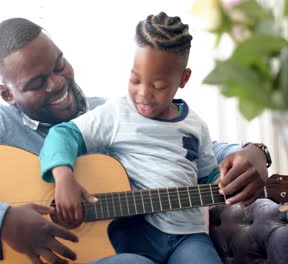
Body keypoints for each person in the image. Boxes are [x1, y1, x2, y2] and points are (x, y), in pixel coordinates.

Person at [0, 17, 270, 264]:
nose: (58, 83)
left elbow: (191, 148)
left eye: (59, 64)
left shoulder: (111, 112)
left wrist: (251, 153)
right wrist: (3, 221)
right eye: (36, 83)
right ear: (7, 94)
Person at [39, 11, 239, 263]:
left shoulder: (195, 125)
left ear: (183, 79)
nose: (143, 94)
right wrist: (63, 176)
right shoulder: (117, 113)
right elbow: (64, 134)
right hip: (133, 237)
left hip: (189, 237)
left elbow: (208, 175)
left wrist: (229, 179)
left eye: (158, 86)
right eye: (135, 79)